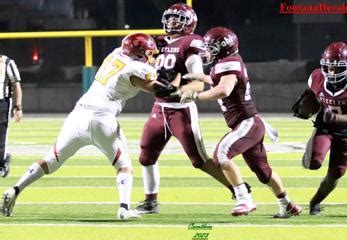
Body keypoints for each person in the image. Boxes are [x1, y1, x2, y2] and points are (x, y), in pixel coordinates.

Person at [0, 33, 177, 219]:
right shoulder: (137, 69)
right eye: (148, 53)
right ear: (139, 53)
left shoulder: (116, 54)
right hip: (103, 118)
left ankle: (15, 189)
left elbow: (141, 68)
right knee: (124, 166)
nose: (151, 56)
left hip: (78, 114)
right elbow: (157, 88)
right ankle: (124, 209)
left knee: (51, 160)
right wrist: (175, 84)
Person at [180, 27, 302, 217]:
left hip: (247, 123)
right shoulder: (227, 62)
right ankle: (287, 204)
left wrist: (196, 95)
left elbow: (224, 89)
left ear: (223, 47)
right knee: (263, 172)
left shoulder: (229, 63)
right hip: (249, 123)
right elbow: (215, 78)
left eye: (211, 47)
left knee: (221, 154)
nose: (207, 51)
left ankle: (244, 199)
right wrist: (199, 77)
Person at [134, 3, 243, 215]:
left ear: (189, 23)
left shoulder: (191, 42)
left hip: (181, 110)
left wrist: (179, 90)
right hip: (159, 108)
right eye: (170, 18)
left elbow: (198, 83)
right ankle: (150, 202)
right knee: (146, 157)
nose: (172, 22)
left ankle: (238, 190)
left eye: (178, 19)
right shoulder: (157, 42)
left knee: (200, 161)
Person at [292, 42, 347, 215]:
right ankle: (311, 149)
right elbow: (311, 95)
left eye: (337, 68)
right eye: (329, 67)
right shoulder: (316, 78)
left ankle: (315, 202)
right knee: (313, 163)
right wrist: (305, 105)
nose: (332, 72)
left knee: (336, 174)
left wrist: (334, 117)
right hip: (324, 128)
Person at [0, 54, 23, 177]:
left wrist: (18, 107)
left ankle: (3, 162)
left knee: (1, 133)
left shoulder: (8, 62)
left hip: (2, 103)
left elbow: (16, 85)